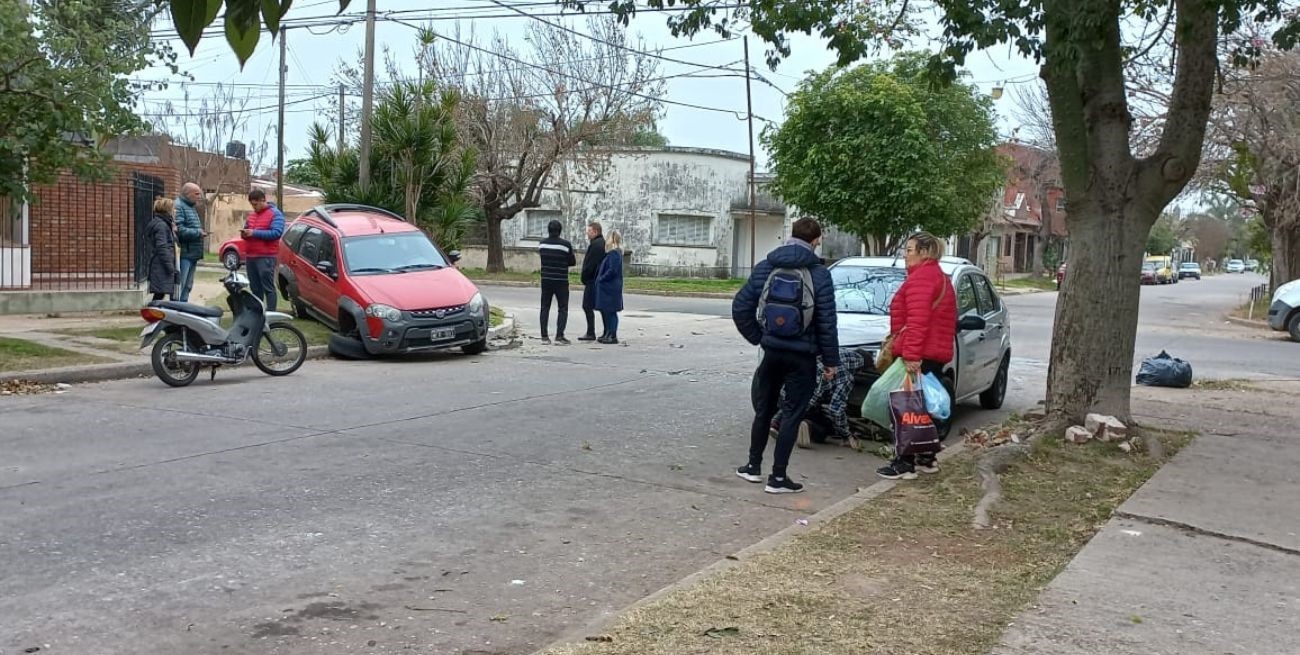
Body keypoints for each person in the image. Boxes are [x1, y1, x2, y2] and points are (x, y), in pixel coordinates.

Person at [732, 217, 839, 494]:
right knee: (791, 414)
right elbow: (827, 322)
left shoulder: (767, 265)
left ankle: (752, 468)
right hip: (802, 358)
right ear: (815, 241)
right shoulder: (819, 274)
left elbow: (740, 306)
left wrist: (759, 337)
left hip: (772, 353)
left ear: (790, 235)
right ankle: (778, 478)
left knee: (764, 409)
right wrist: (830, 362)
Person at [876, 231, 958, 481]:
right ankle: (926, 457)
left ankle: (905, 462)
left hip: (919, 353)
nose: (905, 255)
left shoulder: (923, 279)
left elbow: (918, 321)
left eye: (909, 250)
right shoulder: (938, 277)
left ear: (924, 252)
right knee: (921, 408)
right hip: (933, 352)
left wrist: (911, 355)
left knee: (905, 408)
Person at [772, 347, 866, 449]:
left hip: (787, 388)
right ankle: (808, 424)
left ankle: (776, 423)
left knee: (796, 399)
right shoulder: (847, 377)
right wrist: (847, 436)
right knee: (825, 428)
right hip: (804, 405)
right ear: (859, 368)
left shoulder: (834, 352)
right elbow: (835, 409)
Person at [240, 189, 285, 311]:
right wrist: (244, 234)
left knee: (268, 287)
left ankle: (271, 314)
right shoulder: (252, 215)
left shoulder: (276, 214)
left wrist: (254, 233)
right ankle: (257, 313)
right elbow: (247, 229)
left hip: (266, 256)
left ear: (263, 200)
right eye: (252, 205)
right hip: (251, 256)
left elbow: (276, 233)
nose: (254, 207)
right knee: (255, 288)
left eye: (255, 204)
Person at [538, 219, 577, 344]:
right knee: (563, 308)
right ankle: (559, 336)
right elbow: (572, 261)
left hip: (546, 279)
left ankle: (544, 336)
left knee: (545, 307)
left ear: (548, 230)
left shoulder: (542, 244)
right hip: (561, 279)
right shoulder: (565, 245)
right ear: (560, 231)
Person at [174, 182, 207, 302]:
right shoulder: (179, 206)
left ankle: (184, 308)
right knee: (181, 285)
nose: (199, 196)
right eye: (196, 193)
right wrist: (198, 232)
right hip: (184, 253)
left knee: (188, 285)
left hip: (192, 253)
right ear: (187, 193)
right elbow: (179, 230)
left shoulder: (190, 207)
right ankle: (177, 309)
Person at [145, 197, 178, 302]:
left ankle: (153, 314)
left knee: (160, 293)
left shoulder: (163, 224)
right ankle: (151, 314)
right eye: (173, 209)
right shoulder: (161, 225)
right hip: (161, 264)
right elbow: (162, 246)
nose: (174, 211)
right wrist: (170, 266)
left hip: (160, 263)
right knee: (159, 294)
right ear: (167, 210)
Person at [579, 221, 607, 341]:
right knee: (600, 306)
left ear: (595, 231)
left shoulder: (596, 245)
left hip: (592, 280)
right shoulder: (602, 243)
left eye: (589, 231)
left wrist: (585, 276)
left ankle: (591, 331)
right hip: (597, 279)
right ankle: (606, 331)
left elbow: (590, 264)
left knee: (587, 305)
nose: (587, 234)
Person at [594, 229, 624, 344]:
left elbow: (612, 270)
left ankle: (612, 334)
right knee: (605, 310)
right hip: (606, 287)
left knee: (611, 311)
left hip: (610, 287)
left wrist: (602, 279)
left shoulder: (615, 253)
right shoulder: (611, 253)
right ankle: (607, 332)